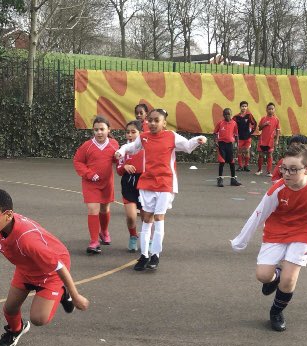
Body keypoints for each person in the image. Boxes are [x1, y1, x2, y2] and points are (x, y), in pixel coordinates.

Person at [230, 143, 307, 331]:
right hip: (276, 231)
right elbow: (258, 215)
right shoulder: (277, 189)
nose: (286, 174)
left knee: (289, 280)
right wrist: (240, 241)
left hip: (303, 232)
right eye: (284, 168)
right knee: (263, 276)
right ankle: (275, 275)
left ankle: (276, 311)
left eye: (293, 170)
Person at [0, 188, 89, 346]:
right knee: (10, 308)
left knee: (39, 319)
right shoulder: (3, 224)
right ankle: (16, 330)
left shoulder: (28, 240)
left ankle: (64, 291)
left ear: (8, 214)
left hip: (51, 273)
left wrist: (76, 296)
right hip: (26, 268)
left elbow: (59, 267)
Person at [115, 108, 208, 271]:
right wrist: (121, 151)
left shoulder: (171, 136)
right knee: (146, 219)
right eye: (150, 120)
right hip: (147, 183)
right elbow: (131, 148)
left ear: (164, 122)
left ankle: (155, 255)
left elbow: (187, 146)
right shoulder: (143, 137)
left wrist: (198, 139)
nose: (152, 123)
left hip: (165, 183)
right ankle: (144, 255)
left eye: (156, 120)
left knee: (159, 218)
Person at [73, 115, 120, 254]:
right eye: (96, 130)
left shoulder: (114, 144)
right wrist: (89, 174)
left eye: (102, 129)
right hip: (90, 184)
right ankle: (94, 241)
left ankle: (104, 232)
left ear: (108, 130)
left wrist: (120, 161)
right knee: (93, 209)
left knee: (104, 209)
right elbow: (78, 162)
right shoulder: (87, 146)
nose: (99, 132)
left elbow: (118, 162)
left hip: (107, 183)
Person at [117, 120, 145, 252]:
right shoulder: (124, 149)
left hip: (144, 183)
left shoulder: (146, 148)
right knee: (131, 216)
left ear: (140, 133)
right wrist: (124, 166)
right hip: (128, 183)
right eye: (127, 132)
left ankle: (148, 239)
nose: (130, 134)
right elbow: (118, 170)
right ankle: (133, 236)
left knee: (146, 216)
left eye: (133, 132)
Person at [213, 107, 241, 187]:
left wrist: (237, 144)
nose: (227, 116)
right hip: (221, 144)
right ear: (223, 115)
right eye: (225, 114)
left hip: (230, 145)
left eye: (228, 114)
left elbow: (236, 135)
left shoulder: (234, 123)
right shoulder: (220, 123)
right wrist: (215, 141)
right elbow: (215, 133)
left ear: (231, 115)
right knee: (222, 161)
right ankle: (220, 179)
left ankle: (233, 180)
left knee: (232, 162)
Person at [254, 102, 280, 177]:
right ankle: (259, 170)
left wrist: (277, 140)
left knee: (270, 155)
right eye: (269, 109)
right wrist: (264, 124)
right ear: (266, 110)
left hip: (270, 141)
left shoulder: (276, 119)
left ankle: (269, 172)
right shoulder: (263, 118)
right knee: (260, 155)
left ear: (274, 110)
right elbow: (259, 128)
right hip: (262, 140)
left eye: (272, 109)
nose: (270, 110)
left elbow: (278, 130)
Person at [234, 101, 257, 172]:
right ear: (240, 107)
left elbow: (254, 123)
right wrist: (234, 134)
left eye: (245, 106)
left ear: (247, 107)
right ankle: (240, 166)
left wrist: (251, 132)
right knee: (239, 151)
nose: (244, 107)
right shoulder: (236, 117)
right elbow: (232, 125)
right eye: (242, 106)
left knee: (247, 151)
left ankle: (246, 166)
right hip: (239, 137)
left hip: (247, 137)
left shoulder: (249, 115)